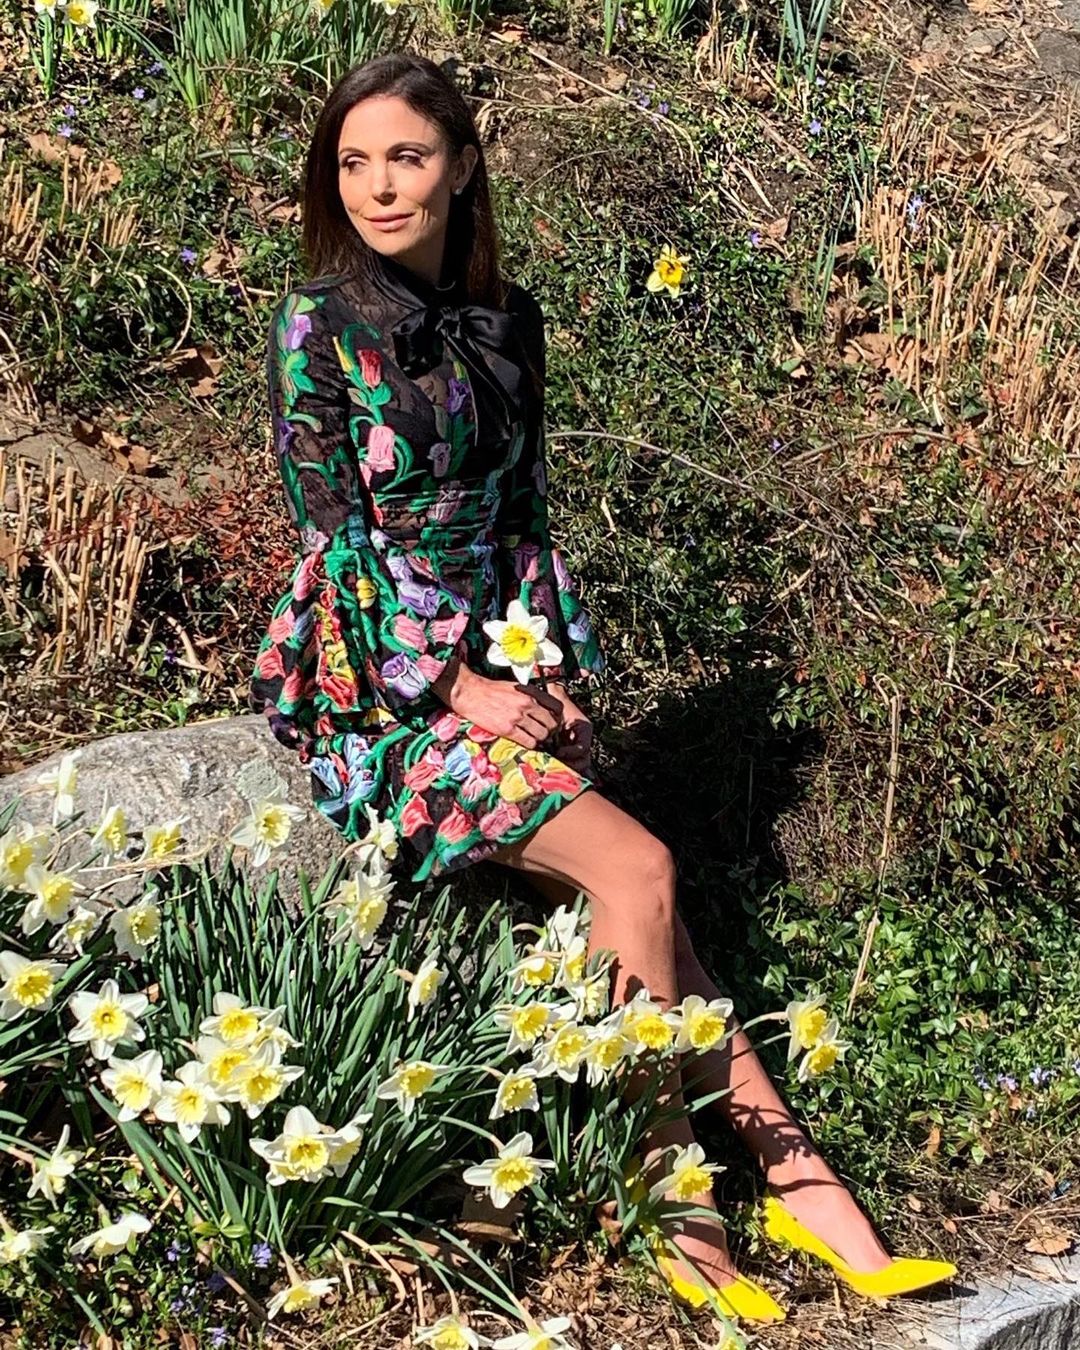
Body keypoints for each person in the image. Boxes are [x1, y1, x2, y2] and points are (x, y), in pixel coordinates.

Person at [249, 52, 955, 1324]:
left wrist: (546, 667)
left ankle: (803, 1183)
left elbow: (520, 520)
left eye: (407, 156)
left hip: (492, 672)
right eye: (354, 162)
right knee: (640, 873)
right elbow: (335, 550)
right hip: (383, 700)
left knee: (651, 916)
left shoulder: (509, 321)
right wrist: (459, 689)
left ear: (464, 166)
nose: (378, 186)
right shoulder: (317, 328)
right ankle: (677, 1209)